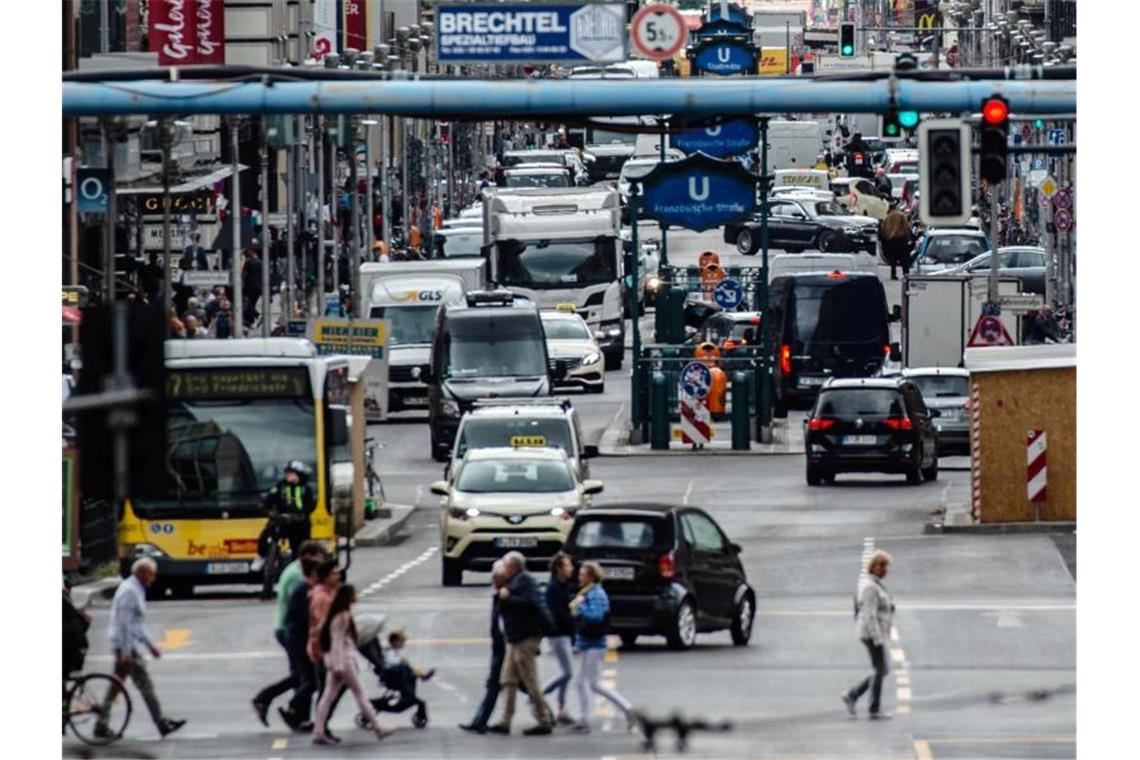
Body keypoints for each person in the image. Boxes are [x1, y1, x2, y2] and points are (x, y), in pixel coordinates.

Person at [97, 558, 186, 739]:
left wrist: (149, 644)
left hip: (124, 645)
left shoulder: (135, 589)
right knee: (145, 684)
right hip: (125, 646)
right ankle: (161, 722)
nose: (153, 578)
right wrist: (127, 652)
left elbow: (136, 624)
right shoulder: (130, 591)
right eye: (152, 574)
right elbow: (124, 624)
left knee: (115, 686)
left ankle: (101, 724)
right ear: (142, 572)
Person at [252, 542, 328, 727]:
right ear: (310, 556)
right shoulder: (298, 575)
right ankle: (279, 704)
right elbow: (302, 607)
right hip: (291, 630)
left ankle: (297, 715)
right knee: (309, 676)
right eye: (320, 557)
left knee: (302, 675)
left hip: (291, 629)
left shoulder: (297, 570)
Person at [312, 584, 395, 744]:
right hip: (344, 661)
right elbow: (337, 642)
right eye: (353, 594)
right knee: (359, 694)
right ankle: (378, 727)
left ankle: (318, 730)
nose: (356, 596)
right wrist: (338, 665)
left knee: (328, 695)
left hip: (336, 660)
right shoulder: (343, 616)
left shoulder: (334, 614)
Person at [487, 551, 555, 736]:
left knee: (530, 680)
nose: (504, 570)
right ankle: (505, 719)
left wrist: (508, 597)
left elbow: (530, 603)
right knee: (507, 680)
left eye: (506, 566)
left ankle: (544, 719)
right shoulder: (516, 581)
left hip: (526, 638)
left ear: (514, 566)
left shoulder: (525, 580)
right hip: (515, 638)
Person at [570, 561, 634, 733]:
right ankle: (584, 718)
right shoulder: (589, 592)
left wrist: (580, 606)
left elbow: (595, 617)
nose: (579, 577)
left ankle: (627, 709)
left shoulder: (595, 594)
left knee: (594, 684)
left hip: (593, 644)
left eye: (582, 574)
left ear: (591, 577)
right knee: (581, 682)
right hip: (588, 643)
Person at [842, 550, 896, 719]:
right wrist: (877, 637)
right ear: (872, 566)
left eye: (885, 566)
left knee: (881, 668)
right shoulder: (870, 587)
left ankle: (853, 695)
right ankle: (872, 707)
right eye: (880, 566)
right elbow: (870, 614)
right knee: (881, 668)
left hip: (873, 632)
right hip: (871, 633)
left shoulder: (874, 584)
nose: (883, 569)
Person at [459, 560, 509, 734]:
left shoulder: (506, 595)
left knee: (527, 686)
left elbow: (505, 625)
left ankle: (546, 716)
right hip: (501, 648)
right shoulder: (499, 595)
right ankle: (480, 720)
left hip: (508, 649)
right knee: (496, 685)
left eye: (495, 577)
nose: (492, 580)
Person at [308, 559, 348, 741]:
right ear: (325, 577)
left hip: (328, 649)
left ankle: (322, 726)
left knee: (330, 689)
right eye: (334, 573)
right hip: (325, 650)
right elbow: (326, 627)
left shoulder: (330, 594)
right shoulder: (323, 598)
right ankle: (321, 727)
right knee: (329, 689)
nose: (338, 576)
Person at [251, 461, 316, 574]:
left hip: (299, 523)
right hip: (282, 520)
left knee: (301, 547)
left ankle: (300, 568)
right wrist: (265, 508)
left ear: (299, 474)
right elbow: (269, 498)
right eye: (287, 473)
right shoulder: (280, 486)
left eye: (291, 473)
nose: (288, 476)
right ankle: (261, 556)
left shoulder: (307, 489)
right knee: (267, 532)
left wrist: (302, 514)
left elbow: (310, 505)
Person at [541, 552, 578, 726]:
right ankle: (538, 696)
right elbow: (558, 613)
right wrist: (574, 619)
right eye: (568, 565)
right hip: (558, 634)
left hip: (563, 633)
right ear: (559, 569)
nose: (571, 568)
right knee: (567, 672)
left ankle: (562, 710)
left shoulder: (562, 585)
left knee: (566, 673)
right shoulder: (554, 588)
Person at [879, 206, 912, 281]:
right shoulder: (901, 216)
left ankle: (893, 274)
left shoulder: (887, 218)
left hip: (891, 240)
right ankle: (905, 274)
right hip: (902, 239)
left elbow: (883, 229)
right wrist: (908, 237)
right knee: (904, 258)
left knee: (893, 259)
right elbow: (906, 227)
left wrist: (886, 238)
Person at [242, 248, 264, 327]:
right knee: (252, 303)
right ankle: (250, 320)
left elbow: (244, 274)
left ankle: (257, 316)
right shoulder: (261, 263)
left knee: (248, 304)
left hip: (249, 287)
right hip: (258, 287)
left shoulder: (248, 262)